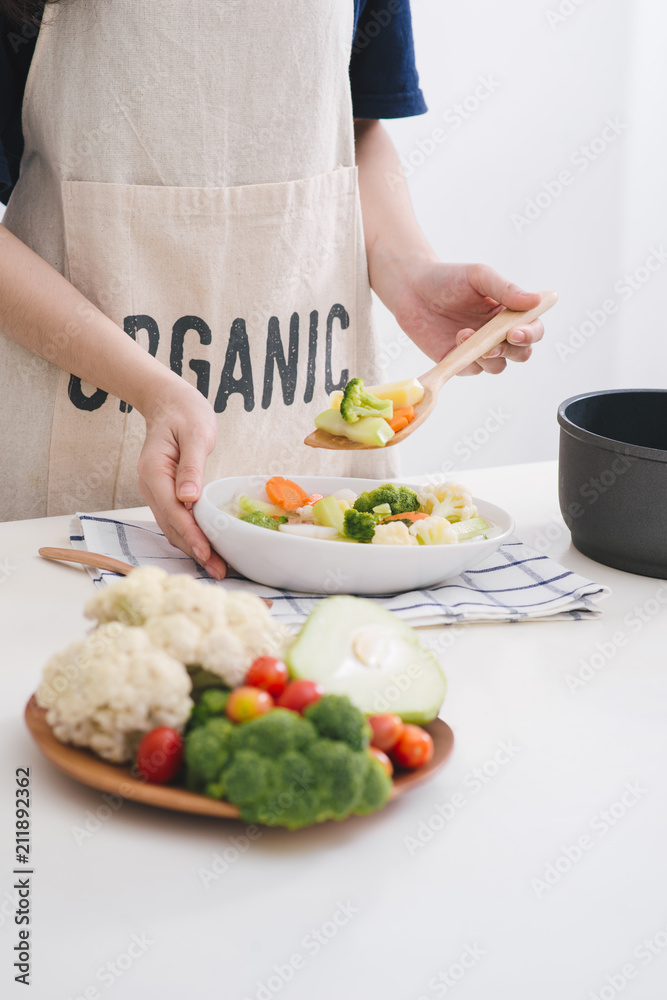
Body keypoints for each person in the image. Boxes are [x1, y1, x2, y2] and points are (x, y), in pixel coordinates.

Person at [0, 0, 544, 580]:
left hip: (300, 404)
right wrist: (152, 389)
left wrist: (410, 273)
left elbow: (353, 126)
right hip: (78, 433)